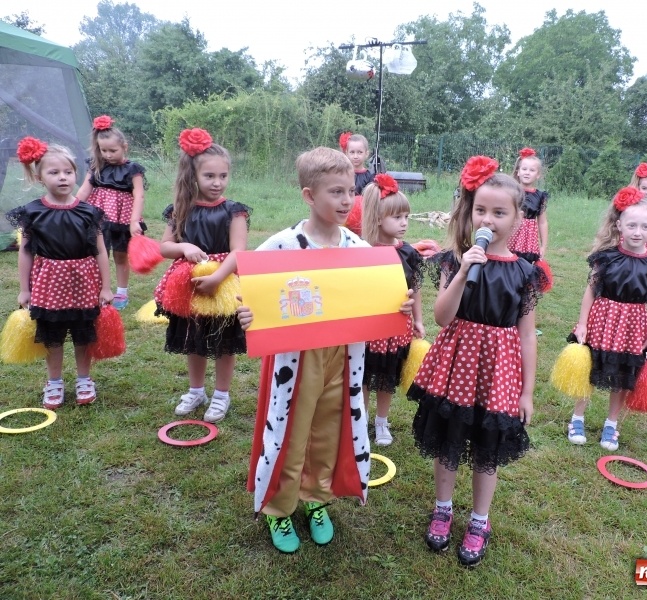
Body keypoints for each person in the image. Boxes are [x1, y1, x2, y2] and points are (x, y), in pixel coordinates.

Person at [239, 147, 414, 554]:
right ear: (308, 195)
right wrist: (247, 313)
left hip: (344, 357)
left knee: (330, 428)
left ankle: (317, 500)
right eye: (335, 191)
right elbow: (253, 293)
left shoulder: (358, 247)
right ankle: (279, 509)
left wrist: (398, 305)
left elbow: (378, 301)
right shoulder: (282, 245)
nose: (345, 200)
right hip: (297, 361)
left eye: (350, 191)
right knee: (292, 429)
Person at [407, 156, 542, 567]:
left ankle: (480, 520)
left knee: (487, 448)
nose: (489, 219)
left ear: (518, 219)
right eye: (481, 210)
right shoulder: (455, 260)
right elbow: (442, 317)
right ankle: (443, 507)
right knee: (448, 439)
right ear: (471, 212)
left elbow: (526, 336)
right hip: (456, 366)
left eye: (499, 212)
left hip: (498, 372)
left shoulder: (524, 272)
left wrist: (527, 392)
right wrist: (464, 270)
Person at [7, 137, 113, 408]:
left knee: (82, 332)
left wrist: (105, 286)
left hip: (83, 282)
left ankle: (84, 378)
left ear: (76, 174)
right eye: (54, 172)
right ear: (39, 176)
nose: (62, 178)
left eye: (68, 172)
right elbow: (26, 252)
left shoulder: (89, 213)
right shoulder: (33, 212)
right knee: (52, 334)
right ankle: (54, 381)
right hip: (49, 283)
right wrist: (24, 288)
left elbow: (101, 251)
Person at [154, 128, 250, 423]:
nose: (217, 182)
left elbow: (238, 252)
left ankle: (221, 394)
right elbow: (165, 248)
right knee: (192, 338)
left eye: (223, 176)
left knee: (223, 341)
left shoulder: (234, 211)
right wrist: (184, 246)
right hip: (189, 285)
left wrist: (217, 278)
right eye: (210, 176)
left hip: (222, 282)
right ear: (192, 176)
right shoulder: (181, 210)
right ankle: (196, 391)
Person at [566, 187, 647, 452]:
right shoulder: (606, 257)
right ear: (619, 226)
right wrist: (582, 323)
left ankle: (611, 424)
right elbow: (591, 290)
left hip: (633, 327)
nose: (638, 231)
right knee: (589, 369)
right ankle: (577, 417)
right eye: (632, 225)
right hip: (602, 321)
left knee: (623, 375)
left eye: (645, 226)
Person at [360, 173, 425, 446]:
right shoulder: (363, 251)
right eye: (397, 217)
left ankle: (382, 421)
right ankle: (360, 419)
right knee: (363, 375)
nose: (404, 223)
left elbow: (415, 288)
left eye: (406, 217)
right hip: (368, 327)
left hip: (398, 327)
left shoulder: (409, 253)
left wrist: (419, 320)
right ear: (377, 218)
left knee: (387, 375)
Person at [76, 115, 146, 310]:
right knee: (98, 253)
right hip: (98, 217)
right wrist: (70, 209)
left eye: (112, 150)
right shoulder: (96, 165)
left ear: (125, 146)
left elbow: (139, 195)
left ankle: (121, 293)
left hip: (123, 219)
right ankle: (99, 290)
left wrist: (134, 221)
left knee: (121, 256)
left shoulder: (133, 169)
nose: (107, 154)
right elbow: (83, 190)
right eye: (103, 150)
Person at [508, 147, 548, 264]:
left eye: (532, 170)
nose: (527, 172)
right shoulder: (510, 191)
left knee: (524, 269)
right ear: (518, 172)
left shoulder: (540, 196)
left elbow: (542, 222)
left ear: (538, 175)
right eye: (524, 169)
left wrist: (543, 246)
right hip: (509, 236)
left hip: (528, 242)